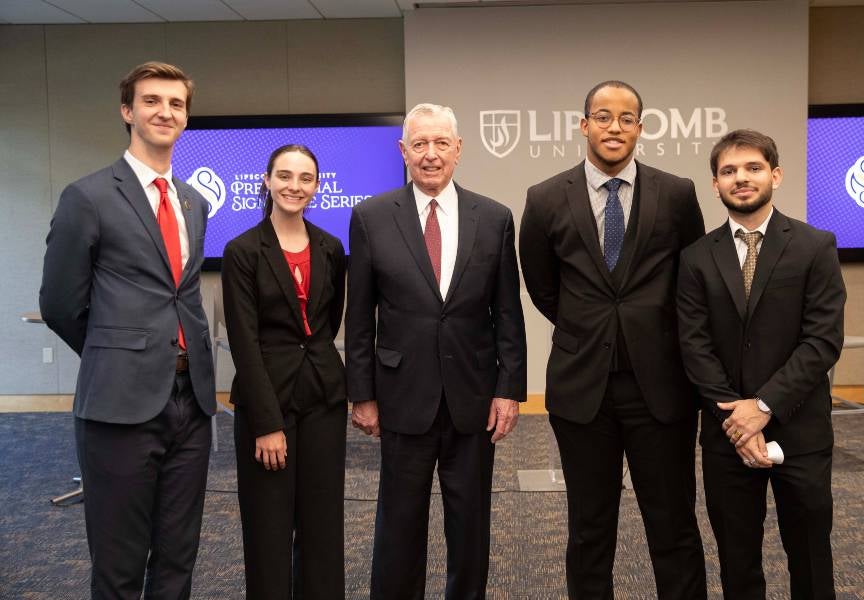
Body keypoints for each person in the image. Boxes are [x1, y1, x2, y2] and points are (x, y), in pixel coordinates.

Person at [519, 80, 707, 599]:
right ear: (584, 126)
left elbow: (692, 279)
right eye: (603, 117)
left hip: (661, 387)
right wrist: (589, 325)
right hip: (583, 389)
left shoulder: (677, 193)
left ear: (640, 129)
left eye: (626, 119)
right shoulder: (544, 198)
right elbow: (542, 285)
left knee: (673, 525)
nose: (614, 127)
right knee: (589, 530)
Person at [39, 61, 216, 598]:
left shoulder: (193, 202)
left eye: (176, 104)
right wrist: (118, 354)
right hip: (118, 405)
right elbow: (60, 304)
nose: (166, 112)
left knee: (178, 558)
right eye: (152, 101)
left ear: (186, 118)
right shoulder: (88, 196)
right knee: (119, 565)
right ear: (127, 111)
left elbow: (181, 293)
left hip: (191, 404)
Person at [345, 103, 527, 600]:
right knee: (399, 526)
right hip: (401, 396)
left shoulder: (494, 218)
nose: (430, 154)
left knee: (470, 526)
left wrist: (509, 390)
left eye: (441, 143)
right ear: (403, 151)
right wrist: (361, 393)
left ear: (458, 149)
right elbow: (359, 317)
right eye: (420, 144)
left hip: (473, 398)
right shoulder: (371, 217)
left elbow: (507, 313)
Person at [677, 129, 846, 599]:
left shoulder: (815, 246)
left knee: (810, 558)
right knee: (737, 563)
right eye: (729, 171)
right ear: (716, 185)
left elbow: (822, 340)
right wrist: (739, 419)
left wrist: (764, 406)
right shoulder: (695, 257)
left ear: (775, 175)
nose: (741, 178)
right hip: (727, 434)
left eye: (753, 168)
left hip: (801, 431)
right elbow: (694, 346)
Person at [222, 144, 347, 599]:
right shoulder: (242, 251)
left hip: (324, 398)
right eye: (285, 176)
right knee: (269, 529)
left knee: (323, 527)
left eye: (305, 178)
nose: (295, 186)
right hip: (267, 403)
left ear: (317, 186)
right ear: (268, 180)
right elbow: (243, 342)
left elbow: (327, 323)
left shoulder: (331, 248)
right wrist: (266, 423)